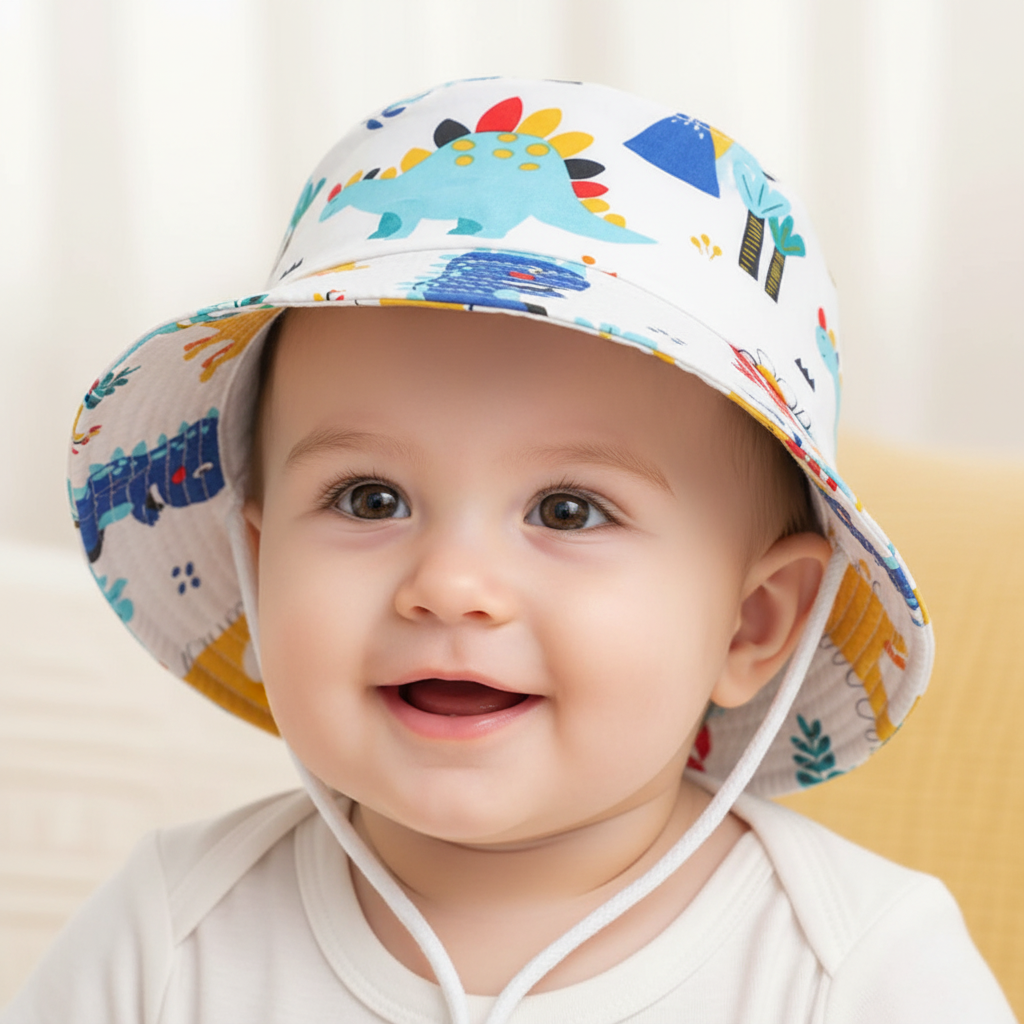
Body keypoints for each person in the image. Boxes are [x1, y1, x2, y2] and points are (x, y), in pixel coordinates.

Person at [4, 77, 1015, 1023]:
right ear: (261, 573)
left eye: (568, 510)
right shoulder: (170, 939)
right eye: (369, 497)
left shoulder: (854, 971)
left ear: (751, 622)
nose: (448, 585)